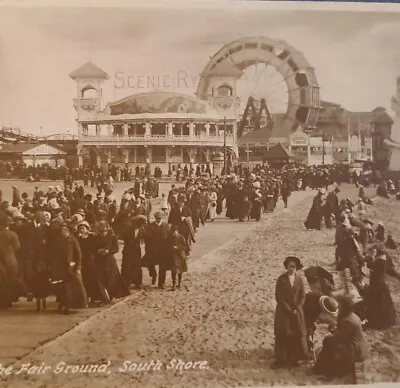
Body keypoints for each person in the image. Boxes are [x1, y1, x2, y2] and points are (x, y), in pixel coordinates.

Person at [313, 296, 368, 379]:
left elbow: (339, 339)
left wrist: (331, 334)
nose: (338, 307)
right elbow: (343, 334)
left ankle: (325, 371)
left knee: (328, 343)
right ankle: (324, 368)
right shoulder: (352, 315)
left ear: (345, 307)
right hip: (356, 345)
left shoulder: (348, 321)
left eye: (340, 305)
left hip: (356, 350)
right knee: (329, 342)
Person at [272, 256, 309, 369]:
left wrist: (297, 307)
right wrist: (288, 309)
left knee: (296, 335)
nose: (291, 269)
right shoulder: (281, 279)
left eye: (293, 267)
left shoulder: (299, 279)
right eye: (289, 266)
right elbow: (279, 296)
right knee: (283, 335)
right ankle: (281, 360)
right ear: (286, 267)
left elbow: (302, 295)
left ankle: (294, 359)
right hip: (284, 312)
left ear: (296, 268)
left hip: (297, 311)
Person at [365, 247, 396, 329]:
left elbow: (372, 268)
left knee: (379, 303)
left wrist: (371, 260)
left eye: (374, 251)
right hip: (378, 284)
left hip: (378, 285)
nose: (373, 253)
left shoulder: (380, 261)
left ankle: (379, 323)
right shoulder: (380, 260)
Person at [169, 224, 188, 290]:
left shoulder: (181, 237)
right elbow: (167, 245)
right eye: (172, 232)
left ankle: (179, 284)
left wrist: (177, 247)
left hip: (180, 256)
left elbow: (185, 246)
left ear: (177, 231)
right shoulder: (170, 237)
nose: (173, 233)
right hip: (173, 257)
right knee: (173, 271)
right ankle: (174, 284)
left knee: (180, 271)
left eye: (175, 232)